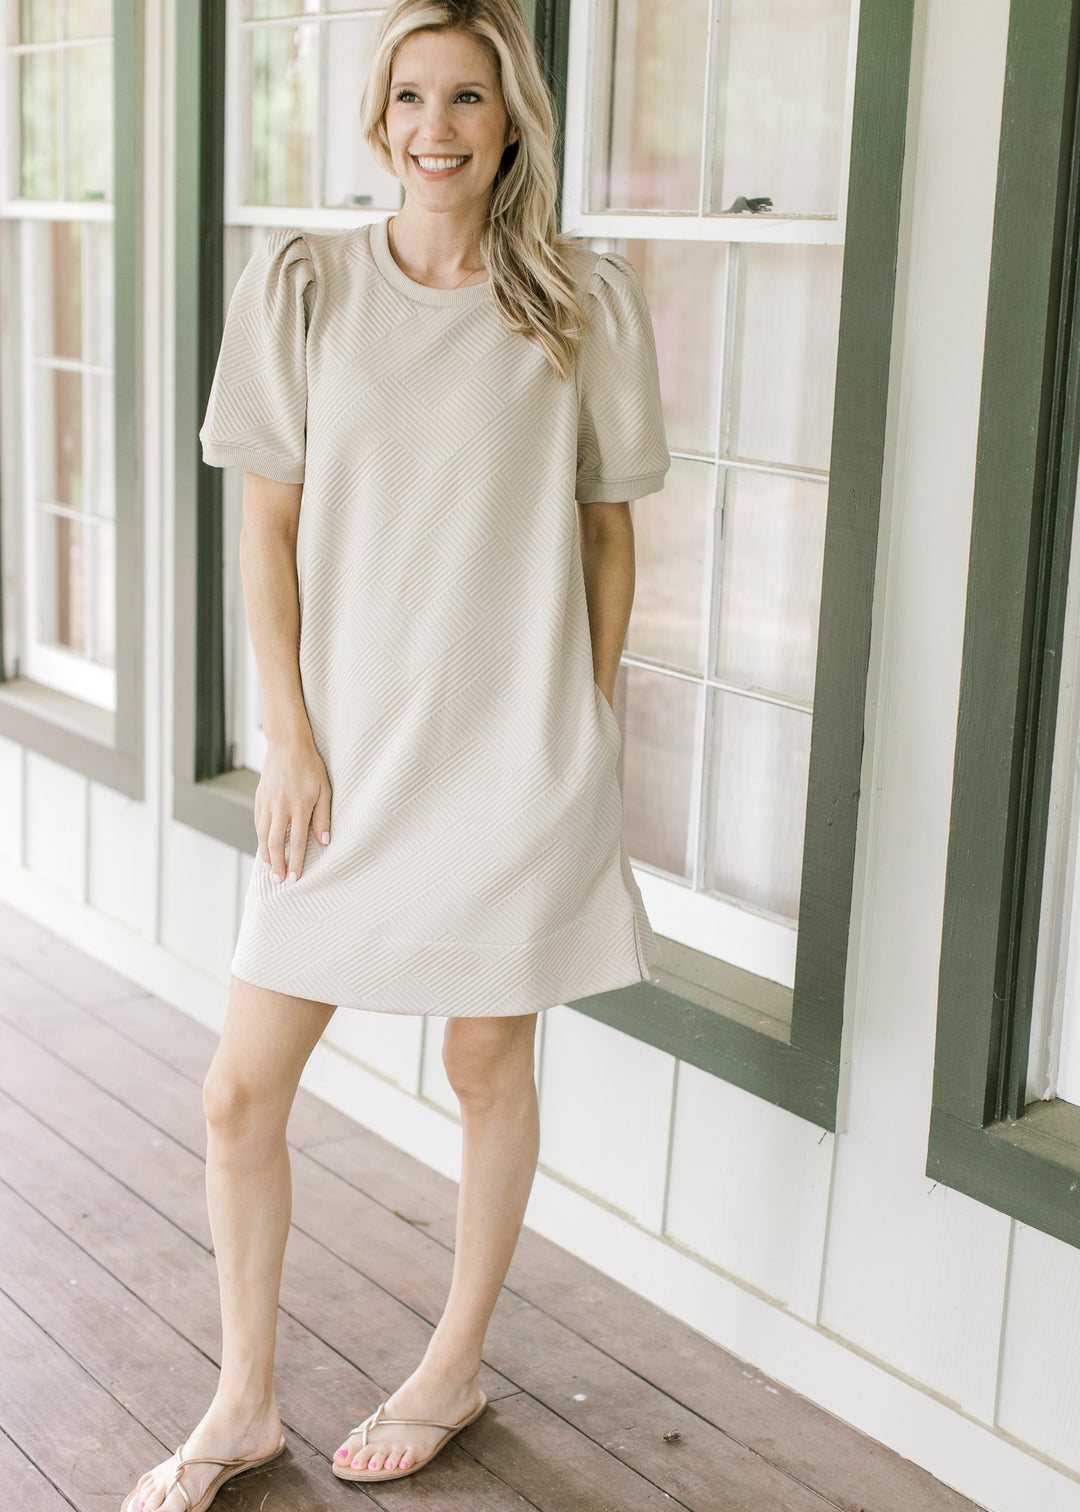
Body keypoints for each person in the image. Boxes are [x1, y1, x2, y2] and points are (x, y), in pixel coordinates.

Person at [122, 0, 668, 1507]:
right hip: (344, 757)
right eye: (413, 96)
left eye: (470, 98)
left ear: (511, 124)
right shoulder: (304, 287)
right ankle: (244, 1402)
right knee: (241, 1090)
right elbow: (270, 526)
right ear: (380, 121)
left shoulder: (578, 302)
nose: (438, 126)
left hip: (516, 753)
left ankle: (455, 1362)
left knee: (486, 1055)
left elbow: (607, 530)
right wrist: (285, 734)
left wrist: (589, 718)